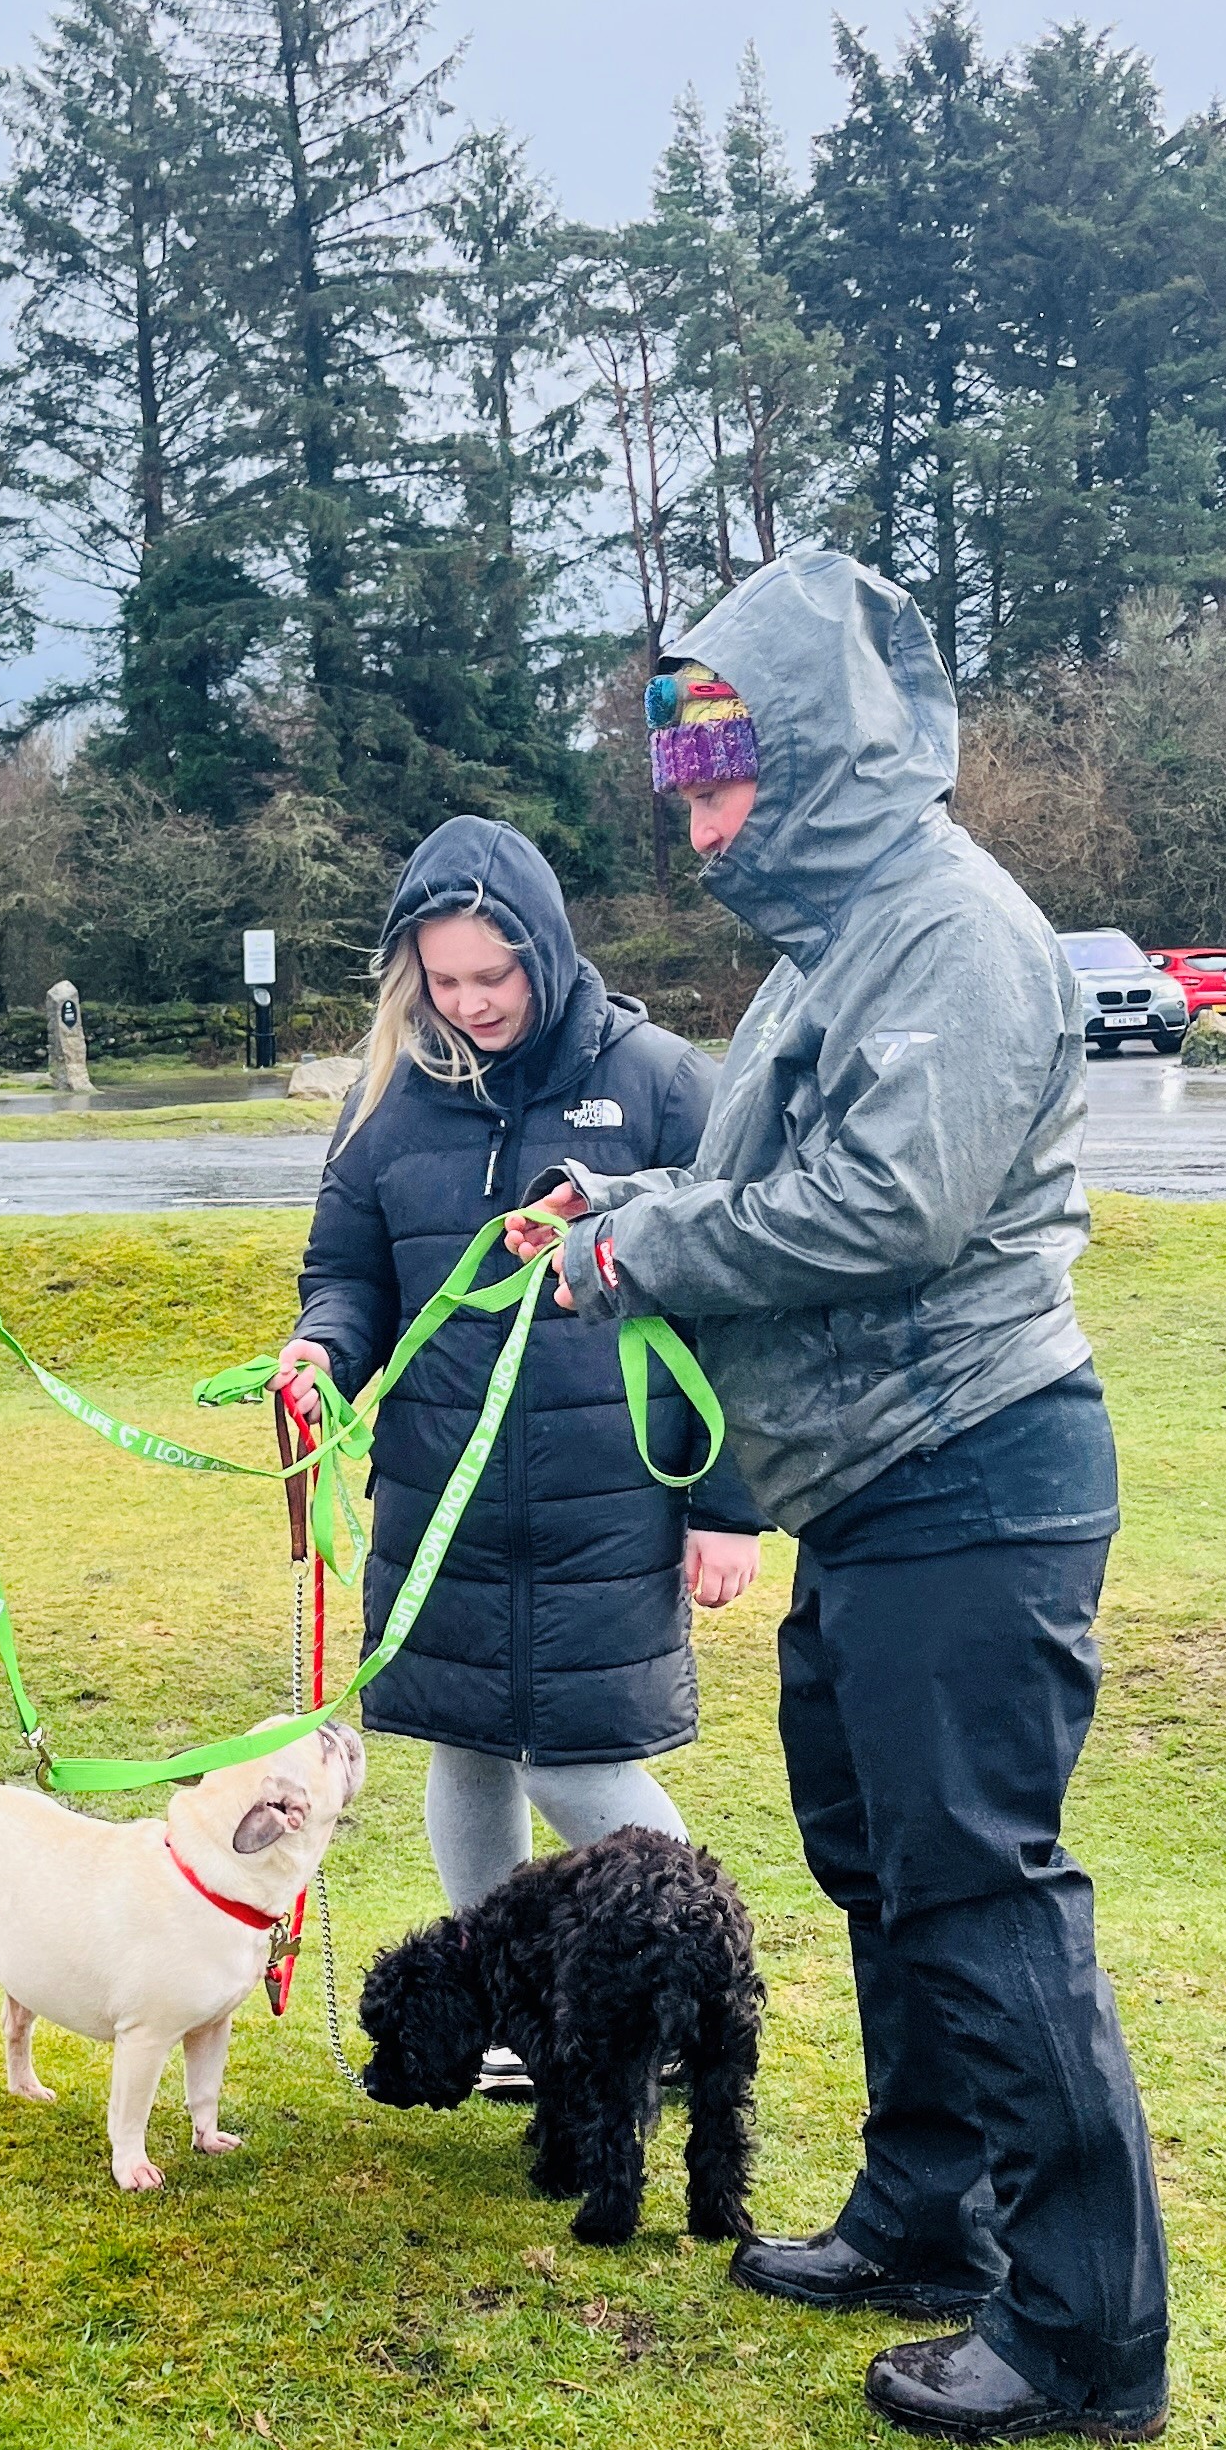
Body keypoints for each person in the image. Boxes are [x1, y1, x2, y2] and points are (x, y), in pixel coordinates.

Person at [510, 549, 1170, 2447]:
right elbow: (784, 1155)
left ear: (808, 755)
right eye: (682, 789)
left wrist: (648, 1245)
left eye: (716, 779)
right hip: (877, 1494)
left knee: (983, 1890)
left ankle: (1083, 2334)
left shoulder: (953, 929)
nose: (696, 821)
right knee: (885, 1870)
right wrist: (627, 1211)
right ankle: (924, 2216)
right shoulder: (840, 941)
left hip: (973, 1472)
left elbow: (891, 1202)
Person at [275, 817, 763, 2088]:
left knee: (583, 1754)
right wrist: (324, 1352)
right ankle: (514, 2016)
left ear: (546, 950)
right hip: (442, 1495)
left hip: (608, 1499)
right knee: (467, 1742)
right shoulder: (384, 1102)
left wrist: (730, 1504)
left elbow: (743, 1295)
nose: (474, 1003)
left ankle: (687, 2005)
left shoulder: (657, 1080)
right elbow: (346, 1273)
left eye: (496, 975)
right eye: (445, 981)